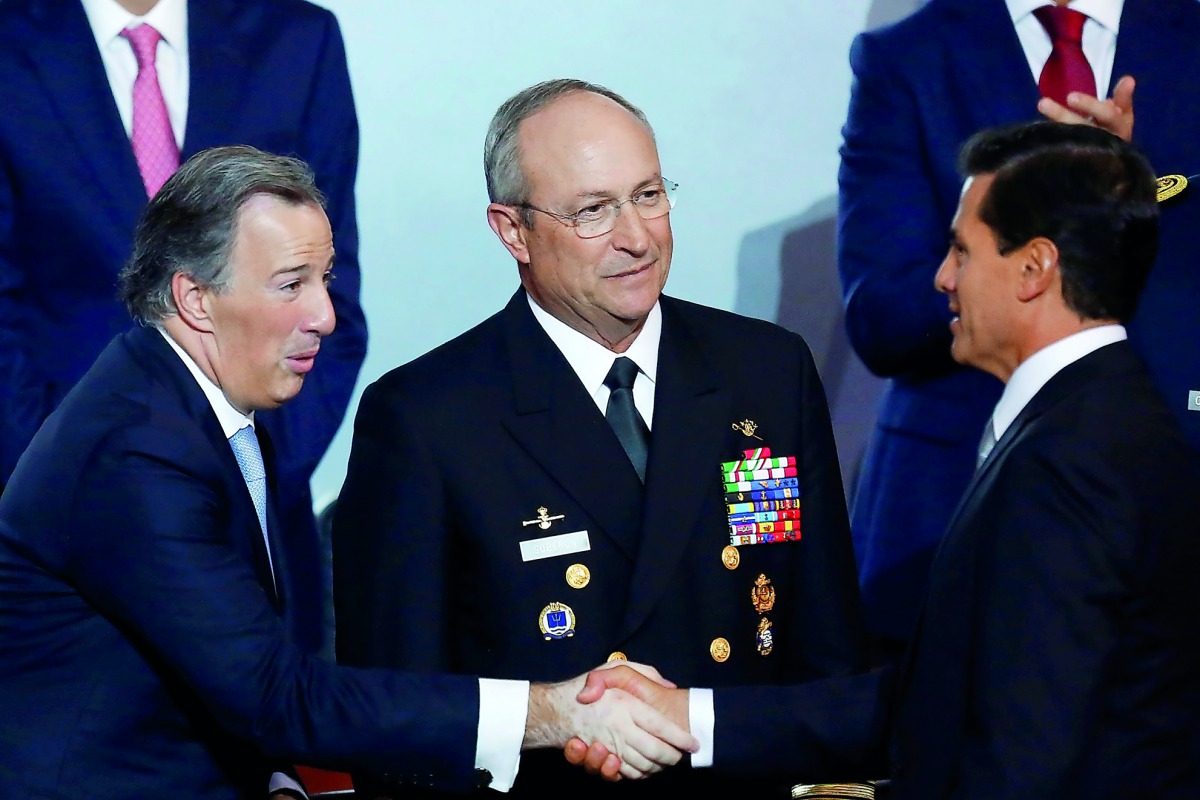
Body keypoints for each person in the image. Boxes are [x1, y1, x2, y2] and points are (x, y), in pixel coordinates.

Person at [0, 145, 697, 800]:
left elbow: (219, 671)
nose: (326, 316)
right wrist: (559, 710)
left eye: (324, 278)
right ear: (195, 299)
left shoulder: (191, 409)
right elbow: (277, 697)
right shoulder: (139, 453)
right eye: (290, 285)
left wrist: (276, 780)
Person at [579, 120, 1200, 798]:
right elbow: (944, 702)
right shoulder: (1098, 422)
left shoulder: (1071, 463)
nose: (941, 278)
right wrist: (684, 715)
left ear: (1033, 269)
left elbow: (1020, 760)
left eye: (962, 251)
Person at [332, 78, 875, 797]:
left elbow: (828, 653)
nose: (637, 236)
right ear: (512, 230)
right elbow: (397, 717)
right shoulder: (426, 418)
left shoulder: (765, 371)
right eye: (593, 211)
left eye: (648, 195)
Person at [0, 0, 368, 654]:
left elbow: (328, 298)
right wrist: (76, 487)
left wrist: (248, 472)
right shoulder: (14, 40)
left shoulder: (297, 38)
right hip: (57, 545)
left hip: (256, 529)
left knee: (276, 732)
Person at [837, 0, 1200, 661]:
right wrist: (1041, 209)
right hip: (949, 507)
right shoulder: (906, 57)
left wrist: (1112, 204)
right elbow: (881, 315)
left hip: (1169, 493)